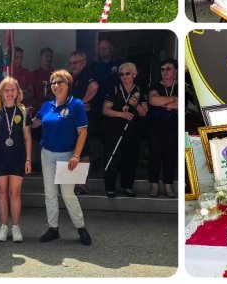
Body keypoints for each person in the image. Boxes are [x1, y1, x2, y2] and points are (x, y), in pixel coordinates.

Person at [32, 70, 92, 246]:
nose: (56, 86)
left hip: (67, 156)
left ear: (68, 85)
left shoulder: (77, 105)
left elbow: (83, 132)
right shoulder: (47, 106)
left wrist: (76, 155)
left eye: (60, 82)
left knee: (67, 194)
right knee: (50, 193)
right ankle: (53, 228)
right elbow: (34, 123)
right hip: (47, 154)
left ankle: (81, 228)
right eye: (53, 83)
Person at [0, 77, 32, 243]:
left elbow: (28, 138)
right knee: (1, 192)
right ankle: (3, 226)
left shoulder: (23, 112)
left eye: (12, 90)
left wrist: (28, 159)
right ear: (1, 92)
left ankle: (15, 226)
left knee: (15, 192)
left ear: (17, 92)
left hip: (17, 157)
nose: (9, 93)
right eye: (6, 90)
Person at [102, 62, 148, 197]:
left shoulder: (139, 90)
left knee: (130, 157)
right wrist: (122, 114)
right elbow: (105, 110)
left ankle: (127, 186)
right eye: (121, 74)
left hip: (133, 130)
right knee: (112, 156)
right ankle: (110, 187)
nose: (124, 76)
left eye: (127, 73)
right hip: (114, 129)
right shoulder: (115, 89)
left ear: (134, 74)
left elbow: (144, 112)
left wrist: (137, 105)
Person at [147, 59, 178, 198]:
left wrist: (165, 102)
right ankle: (154, 184)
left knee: (170, 155)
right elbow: (153, 101)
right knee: (154, 154)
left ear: (175, 70)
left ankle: (168, 185)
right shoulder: (155, 86)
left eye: (169, 68)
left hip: (173, 126)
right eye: (162, 69)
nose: (165, 72)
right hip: (156, 126)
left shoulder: (181, 86)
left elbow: (182, 104)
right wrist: (173, 100)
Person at [30, 47, 55, 111]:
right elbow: (30, 94)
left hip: (53, 107)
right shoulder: (34, 74)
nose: (49, 59)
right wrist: (39, 104)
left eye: (51, 56)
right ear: (41, 56)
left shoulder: (55, 74)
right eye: (46, 56)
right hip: (37, 108)